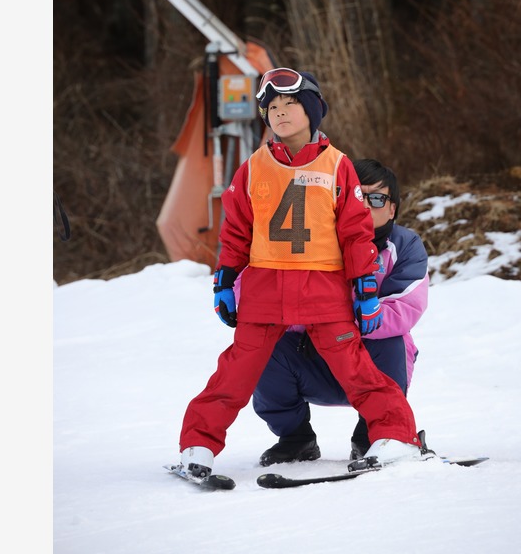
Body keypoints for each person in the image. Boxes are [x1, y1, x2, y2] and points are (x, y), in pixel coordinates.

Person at [175, 68, 422, 480]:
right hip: (265, 289)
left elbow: (356, 232)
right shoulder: (252, 169)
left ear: (311, 110)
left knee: (358, 370)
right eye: (272, 107)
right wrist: (224, 279)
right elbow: (235, 230)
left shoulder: (338, 166)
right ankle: (197, 444)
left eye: (290, 104)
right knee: (234, 372)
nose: (281, 112)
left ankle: (396, 435)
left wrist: (363, 286)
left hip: (323, 290)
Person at [251, 158, 430, 465]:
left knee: (393, 338)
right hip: (312, 356)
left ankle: (374, 436)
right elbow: (264, 288)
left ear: (392, 209)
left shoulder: (405, 245)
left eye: (377, 198)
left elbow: (404, 306)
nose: (365, 205)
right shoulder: (306, 239)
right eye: (356, 195)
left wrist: (339, 320)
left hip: (371, 360)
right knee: (263, 347)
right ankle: (296, 438)